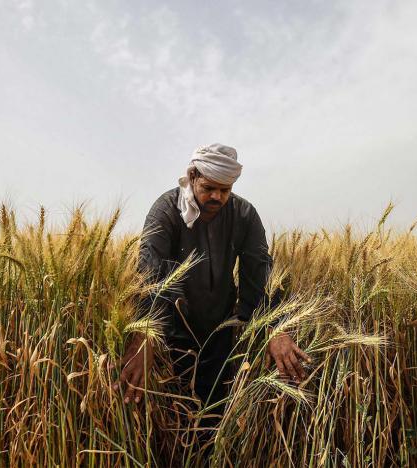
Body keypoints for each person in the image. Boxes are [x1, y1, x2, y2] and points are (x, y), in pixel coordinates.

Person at [113, 143, 311, 420]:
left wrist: (276, 327)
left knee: (212, 410)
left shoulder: (244, 215)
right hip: (171, 332)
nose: (217, 196)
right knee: (171, 409)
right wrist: (144, 338)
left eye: (225, 190)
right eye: (208, 188)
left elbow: (260, 272)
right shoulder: (166, 211)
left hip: (219, 330)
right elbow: (150, 274)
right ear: (192, 176)